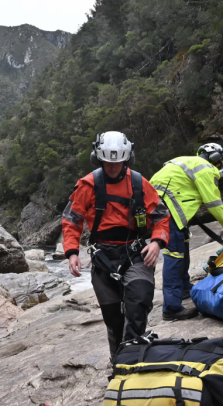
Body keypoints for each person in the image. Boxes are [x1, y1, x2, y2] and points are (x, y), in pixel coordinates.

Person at [61, 131, 171, 360]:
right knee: (113, 318)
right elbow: (72, 220)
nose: (113, 167)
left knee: (139, 302)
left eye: (118, 161)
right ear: (98, 158)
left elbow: (161, 216)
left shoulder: (140, 183)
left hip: (135, 252)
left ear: (126, 158)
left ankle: (132, 359)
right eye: (108, 162)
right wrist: (72, 252)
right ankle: (118, 362)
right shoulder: (87, 185)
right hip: (103, 257)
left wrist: (158, 242)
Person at [149, 143, 223, 321]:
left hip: (158, 206)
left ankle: (184, 288)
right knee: (174, 256)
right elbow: (214, 204)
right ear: (217, 159)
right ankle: (171, 308)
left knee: (182, 245)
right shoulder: (206, 168)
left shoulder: (185, 160)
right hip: (168, 211)